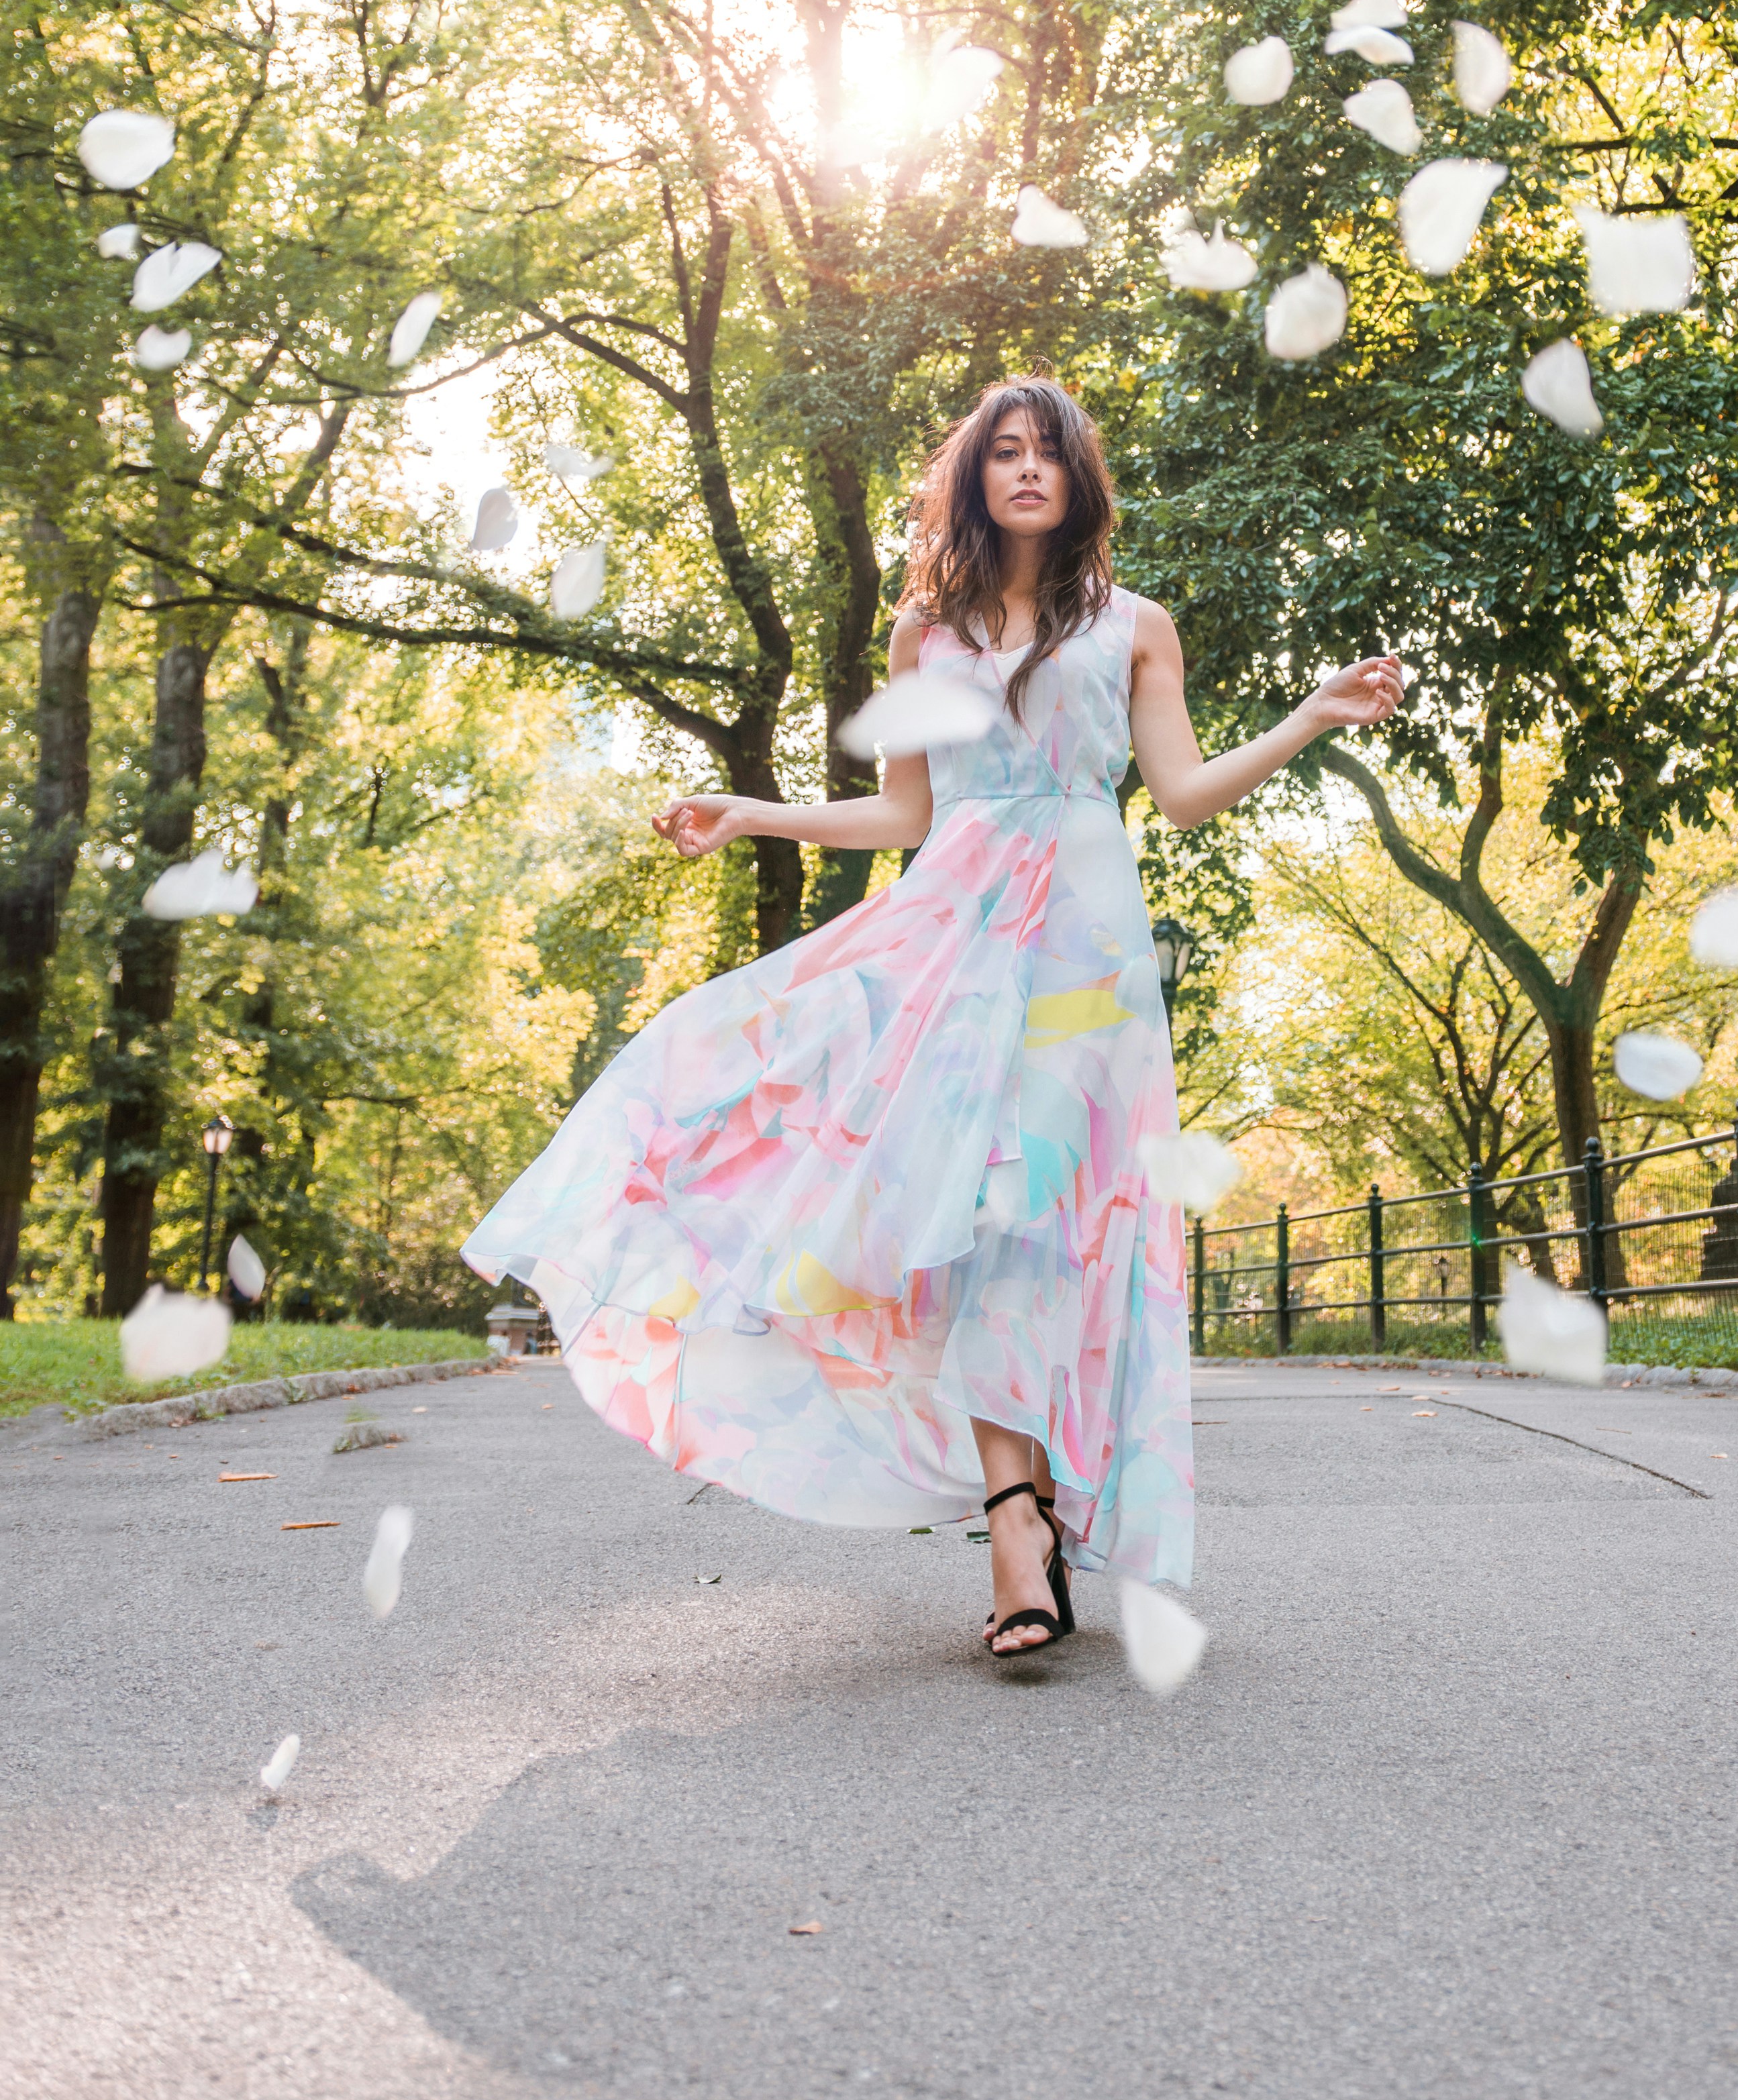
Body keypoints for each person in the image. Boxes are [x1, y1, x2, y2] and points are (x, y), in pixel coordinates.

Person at [462, 377, 1402, 1658]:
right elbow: (907, 814)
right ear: (974, 481)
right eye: (1001, 453)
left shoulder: (1135, 625)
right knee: (971, 1218)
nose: (1024, 471)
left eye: (1045, 453)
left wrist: (1308, 717)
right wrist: (754, 813)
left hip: (1085, 959)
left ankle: (1040, 1507)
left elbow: (1177, 794)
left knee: (1056, 1223)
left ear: (1078, 478)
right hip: (949, 947)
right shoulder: (926, 635)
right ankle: (1018, 1523)